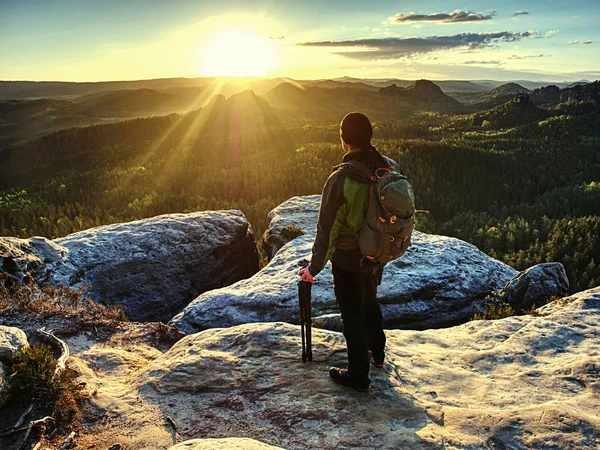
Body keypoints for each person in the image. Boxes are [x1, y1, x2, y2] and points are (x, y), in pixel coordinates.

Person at [298, 112, 403, 393]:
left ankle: (358, 376)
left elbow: (327, 230)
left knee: (351, 315)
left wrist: (313, 268)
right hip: (377, 253)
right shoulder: (387, 168)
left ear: (343, 140)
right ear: (369, 137)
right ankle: (377, 353)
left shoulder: (341, 179)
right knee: (370, 300)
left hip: (347, 260)